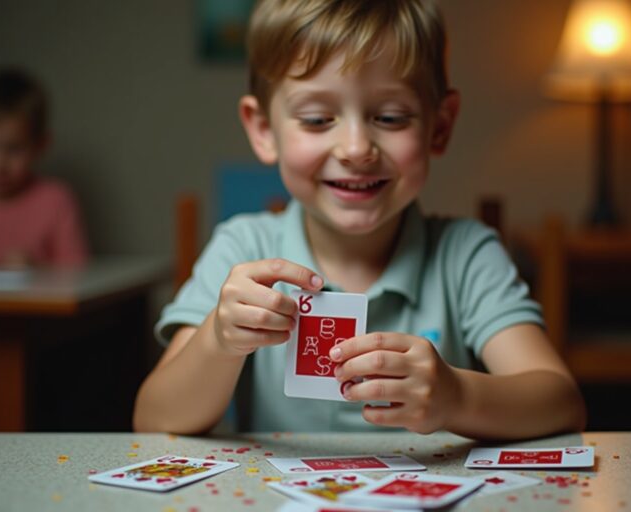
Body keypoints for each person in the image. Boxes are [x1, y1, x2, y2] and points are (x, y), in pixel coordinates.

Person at [134, 0, 585, 439]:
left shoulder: (466, 254)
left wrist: (457, 397)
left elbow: (561, 403)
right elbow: (153, 420)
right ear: (263, 130)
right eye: (316, 119)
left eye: (390, 117)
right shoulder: (243, 248)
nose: (355, 148)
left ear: (440, 126)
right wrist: (218, 340)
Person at [0, 68, 88, 270]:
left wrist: (38, 269)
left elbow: (80, 276)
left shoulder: (56, 200)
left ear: (40, 146)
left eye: (14, 149)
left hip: (40, 301)